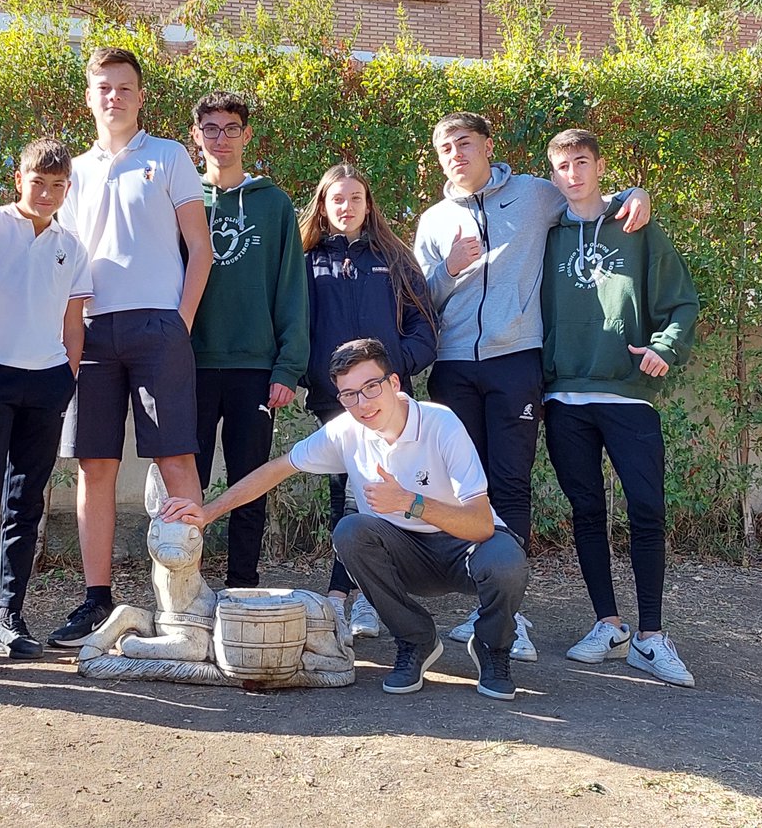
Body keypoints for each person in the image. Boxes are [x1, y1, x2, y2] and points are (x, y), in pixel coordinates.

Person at [161, 338, 527, 701]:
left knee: (506, 558)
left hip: (464, 547)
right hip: (405, 553)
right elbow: (276, 470)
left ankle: (493, 648)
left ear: (394, 383)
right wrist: (207, 512)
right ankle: (416, 641)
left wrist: (409, 501)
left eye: (371, 387)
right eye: (349, 394)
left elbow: (480, 525)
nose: (362, 403)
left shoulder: (440, 423)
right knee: (350, 531)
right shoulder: (345, 431)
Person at [412, 111, 651, 660]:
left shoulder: (534, 194)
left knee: (510, 484)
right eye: (446, 147)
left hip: (516, 360)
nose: (456, 154)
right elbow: (421, 300)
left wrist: (636, 193)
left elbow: (588, 196)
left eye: (465, 143)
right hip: (453, 366)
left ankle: (509, 618)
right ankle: (484, 602)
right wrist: (448, 269)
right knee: (466, 489)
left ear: (487, 146)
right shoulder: (432, 220)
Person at [47, 47, 213, 647]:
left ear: (140, 96)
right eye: (102, 88)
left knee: (175, 461)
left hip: (157, 328)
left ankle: (187, 598)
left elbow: (201, 249)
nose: (113, 97)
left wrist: (180, 322)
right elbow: (61, 255)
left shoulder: (168, 157)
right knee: (94, 464)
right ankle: (96, 601)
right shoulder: (73, 171)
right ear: (89, 97)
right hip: (89, 329)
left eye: (124, 87)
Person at [542, 128, 700, 687]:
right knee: (587, 513)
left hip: (628, 395)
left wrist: (664, 349)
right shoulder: (547, 228)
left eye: (582, 162)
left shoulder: (637, 225)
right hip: (563, 397)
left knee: (647, 511)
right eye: (562, 166)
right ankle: (607, 624)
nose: (573, 175)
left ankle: (651, 638)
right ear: (553, 173)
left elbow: (681, 300)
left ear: (599, 165)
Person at [0, 139, 92, 669]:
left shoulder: (71, 245)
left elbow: (74, 319)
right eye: (38, 181)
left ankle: (10, 617)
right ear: (19, 177)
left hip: (47, 381)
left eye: (57, 185)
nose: (46, 193)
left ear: (67, 188)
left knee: (25, 503)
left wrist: (68, 376)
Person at [299, 163, 436, 638]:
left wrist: (400, 363)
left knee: (383, 492)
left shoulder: (394, 257)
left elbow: (425, 325)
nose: (347, 206)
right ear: (323, 204)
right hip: (335, 399)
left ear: (368, 204)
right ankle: (342, 595)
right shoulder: (305, 259)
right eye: (337, 198)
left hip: (387, 401)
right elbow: (294, 327)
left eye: (356, 197)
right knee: (346, 492)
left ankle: (371, 599)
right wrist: (311, 373)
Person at [188, 91, 309, 589]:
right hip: (189, 366)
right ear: (196, 137)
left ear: (246, 135)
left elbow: (291, 290)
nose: (221, 138)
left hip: (255, 370)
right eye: (210, 128)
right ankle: (184, 590)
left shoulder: (274, 204)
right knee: (184, 485)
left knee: (249, 483)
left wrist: (287, 369)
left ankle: (241, 588)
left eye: (230, 128)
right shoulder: (182, 199)